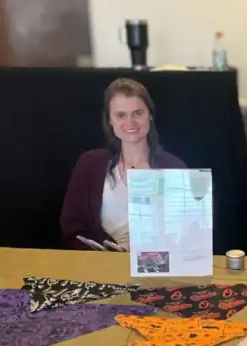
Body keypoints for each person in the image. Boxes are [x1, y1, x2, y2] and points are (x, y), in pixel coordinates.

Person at [60, 78, 186, 251]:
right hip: (99, 269)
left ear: (150, 115)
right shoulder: (88, 164)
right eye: (121, 115)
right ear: (110, 120)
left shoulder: (175, 168)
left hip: (157, 270)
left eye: (138, 113)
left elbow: (187, 236)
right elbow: (72, 227)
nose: (130, 122)